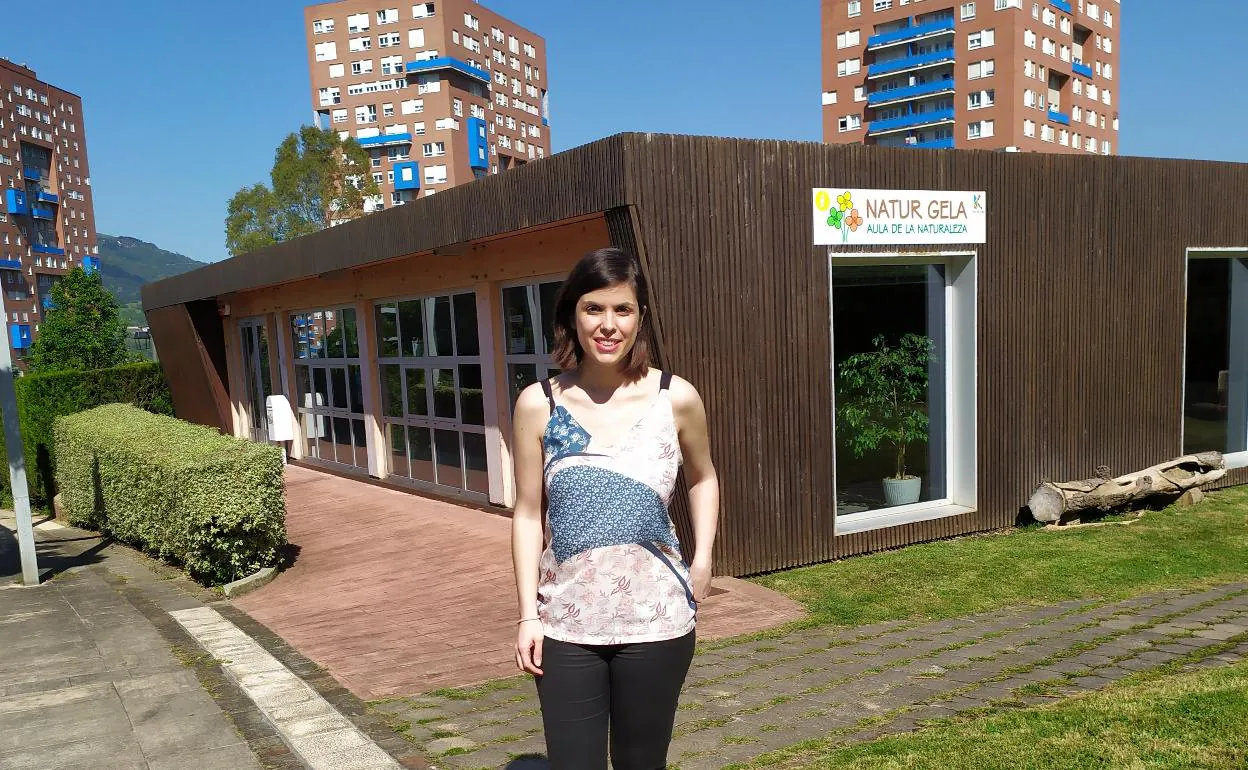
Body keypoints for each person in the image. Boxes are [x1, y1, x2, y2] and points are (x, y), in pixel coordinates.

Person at [510, 247, 720, 769]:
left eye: (622, 310)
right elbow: (527, 513)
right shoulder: (539, 403)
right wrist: (526, 615)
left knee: (641, 763)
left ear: (640, 317)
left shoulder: (676, 398)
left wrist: (703, 559)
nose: (608, 325)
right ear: (572, 316)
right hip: (565, 626)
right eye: (593, 309)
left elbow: (704, 477)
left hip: (657, 624)